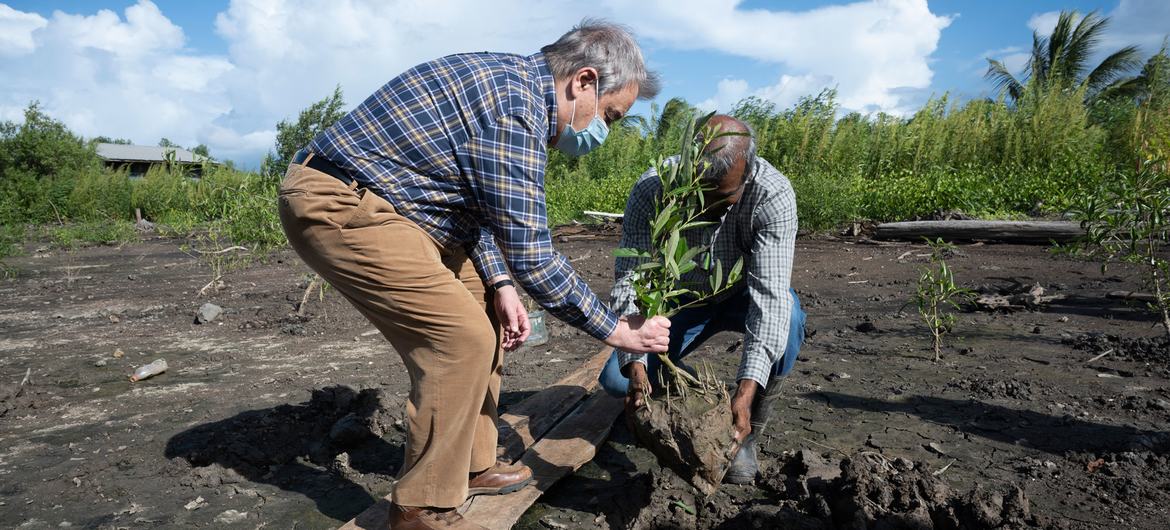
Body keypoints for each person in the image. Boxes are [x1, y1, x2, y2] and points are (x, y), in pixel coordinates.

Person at [277, 20, 671, 530]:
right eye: (611, 116)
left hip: (407, 213)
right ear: (584, 82)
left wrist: (502, 286)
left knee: (485, 308)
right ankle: (421, 505)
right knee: (458, 339)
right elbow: (534, 256)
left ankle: (469, 464)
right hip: (340, 203)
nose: (604, 131)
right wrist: (621, 331)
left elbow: (478, 205)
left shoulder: (516, 89)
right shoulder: (515, 109)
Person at [598, 115, 806, 485]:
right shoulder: (653, 189)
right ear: (690, 168)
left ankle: (747, 430)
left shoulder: (772, 194)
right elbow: (630, 276)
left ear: (748, 172)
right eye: (699, 198)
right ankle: (686, 387)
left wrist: (744, 391)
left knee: (788, 320)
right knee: (616, 379)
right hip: (682, 302)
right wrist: (638, 366)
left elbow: (770, 299)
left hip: (742, 294)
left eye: (722, 199)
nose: (708, 211)